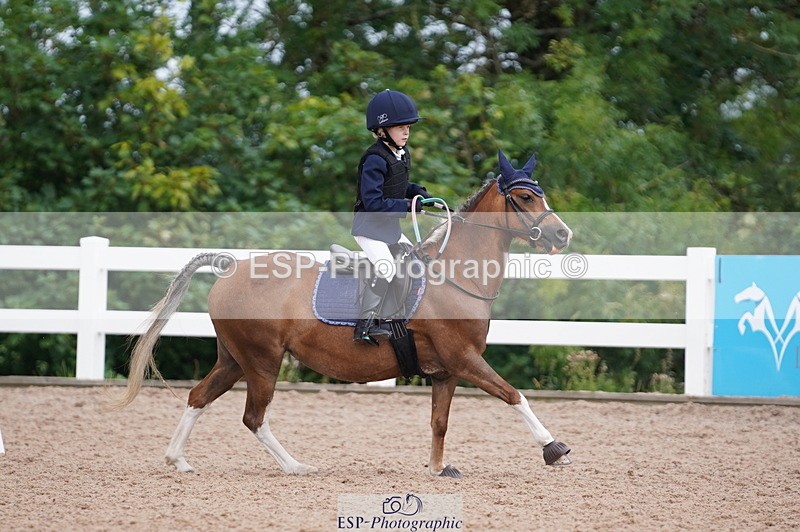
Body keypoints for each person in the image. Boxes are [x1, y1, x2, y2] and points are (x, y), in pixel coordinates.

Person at [351, 89, 432, 346]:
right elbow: (374, 201)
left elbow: (396, 186)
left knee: (417, 262)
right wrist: (408, 206)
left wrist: (417, 192)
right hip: (369, 229)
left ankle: (400, 316)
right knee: (387, 269)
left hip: (389, 230)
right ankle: (365, 324)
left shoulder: (401, 154)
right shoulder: (374, 159)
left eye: (408, 127)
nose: (406, 132)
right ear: (382, 130)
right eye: (400, 128)